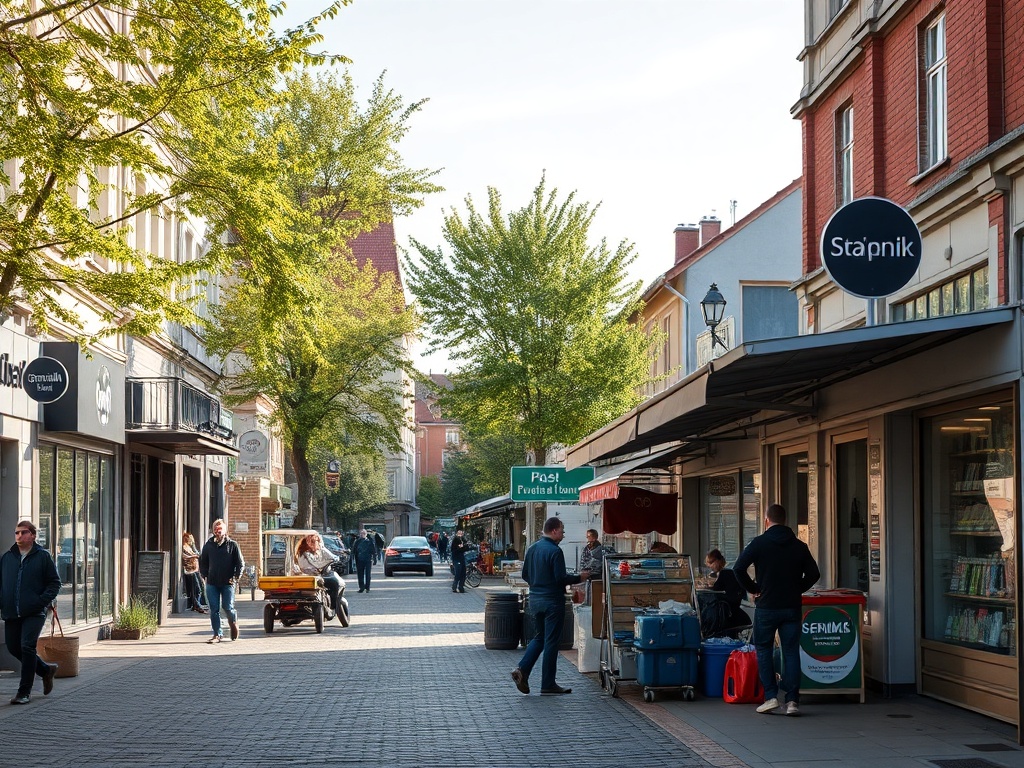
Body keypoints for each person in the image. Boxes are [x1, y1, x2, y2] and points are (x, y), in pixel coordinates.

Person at [733, 503, 820, 716]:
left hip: (767, 607)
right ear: (785, 519)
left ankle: (770, 697)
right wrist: (796, 589)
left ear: (766, 520)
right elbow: (814, 574)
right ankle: (792, 702)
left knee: (764, 650)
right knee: (791, 653)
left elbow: (738, 568)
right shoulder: (799, 546)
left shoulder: (759, 543)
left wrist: (754, 590)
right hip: (791, 606)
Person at [511, 517, 590, 696]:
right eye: (562, 530)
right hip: (553, 601)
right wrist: (580, 577)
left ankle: (522, 669)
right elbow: (560, 578)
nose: (563, 534)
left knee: (539, 637)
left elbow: (525, 574)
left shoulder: (532, 548)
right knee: (551, 642)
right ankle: (548, 684)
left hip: (535, 600)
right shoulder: (555, 551)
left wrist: (537, 586)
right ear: (554, 531)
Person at [0, 520, 61, 704]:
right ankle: (45, 670)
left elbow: (54, 582)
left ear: (33, 535)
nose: (19, 536)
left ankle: (24, 692)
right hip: (11, 612)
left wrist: (40, 601)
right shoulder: (7, 558)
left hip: (34, 612)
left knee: (27, 646)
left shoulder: (42, 556)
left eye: (24, 532)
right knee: (13, 647)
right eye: (17, 533)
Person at [199, 518, 244, 644]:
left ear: (225, 531)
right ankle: (217, 634)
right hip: (212, 583)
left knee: (228, 607)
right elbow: (203, 562)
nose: (218, 532)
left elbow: (240, 563)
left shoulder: (232, 545)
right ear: (213, 531)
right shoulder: (208, 546)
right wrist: (204, 575)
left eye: (220, 529)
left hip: (228, 582)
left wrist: (236, 577)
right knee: (214, 609)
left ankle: (233, 622)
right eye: (216, 529)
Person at [700, 548, 748, 637]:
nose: (709, 566)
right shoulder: (724, 573)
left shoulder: (725, 574)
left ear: (717, 561)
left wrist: (708, 586)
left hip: (725, 612)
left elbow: (717, 591)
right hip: (732, 609)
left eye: (710, 563)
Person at [294, 533, 342, 613]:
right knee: (334, 582)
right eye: (317, 541)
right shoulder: (306, 553)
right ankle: (333, 606)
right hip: (312, 577)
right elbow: (318, 564)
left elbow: (331, 557)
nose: (319, 543)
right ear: (311, 542)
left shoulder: (303, 552)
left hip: (307, 577)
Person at [181, 532, 207, 613]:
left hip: (195, 569)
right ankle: (197, 605)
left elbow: (197, 553)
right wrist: (193, 556)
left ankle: (197, 604)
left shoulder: (189, 547)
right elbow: (184, 556)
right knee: (196, 588)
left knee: (199, 588)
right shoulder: (183, 547)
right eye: (189, 538)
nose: (191, 540)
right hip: (189, 570)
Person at [450, 528, 469, 593]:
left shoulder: (463, 540)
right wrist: (460, 548)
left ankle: (461, 587)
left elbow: (466, 548)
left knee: (463, 573)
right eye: (459, 533)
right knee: (458, 573)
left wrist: (464, 547)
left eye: (461, 533)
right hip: (456, 559)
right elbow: (454, 550)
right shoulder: (455, 540)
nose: (460, 535)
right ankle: (454, 587)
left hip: (461, 558)